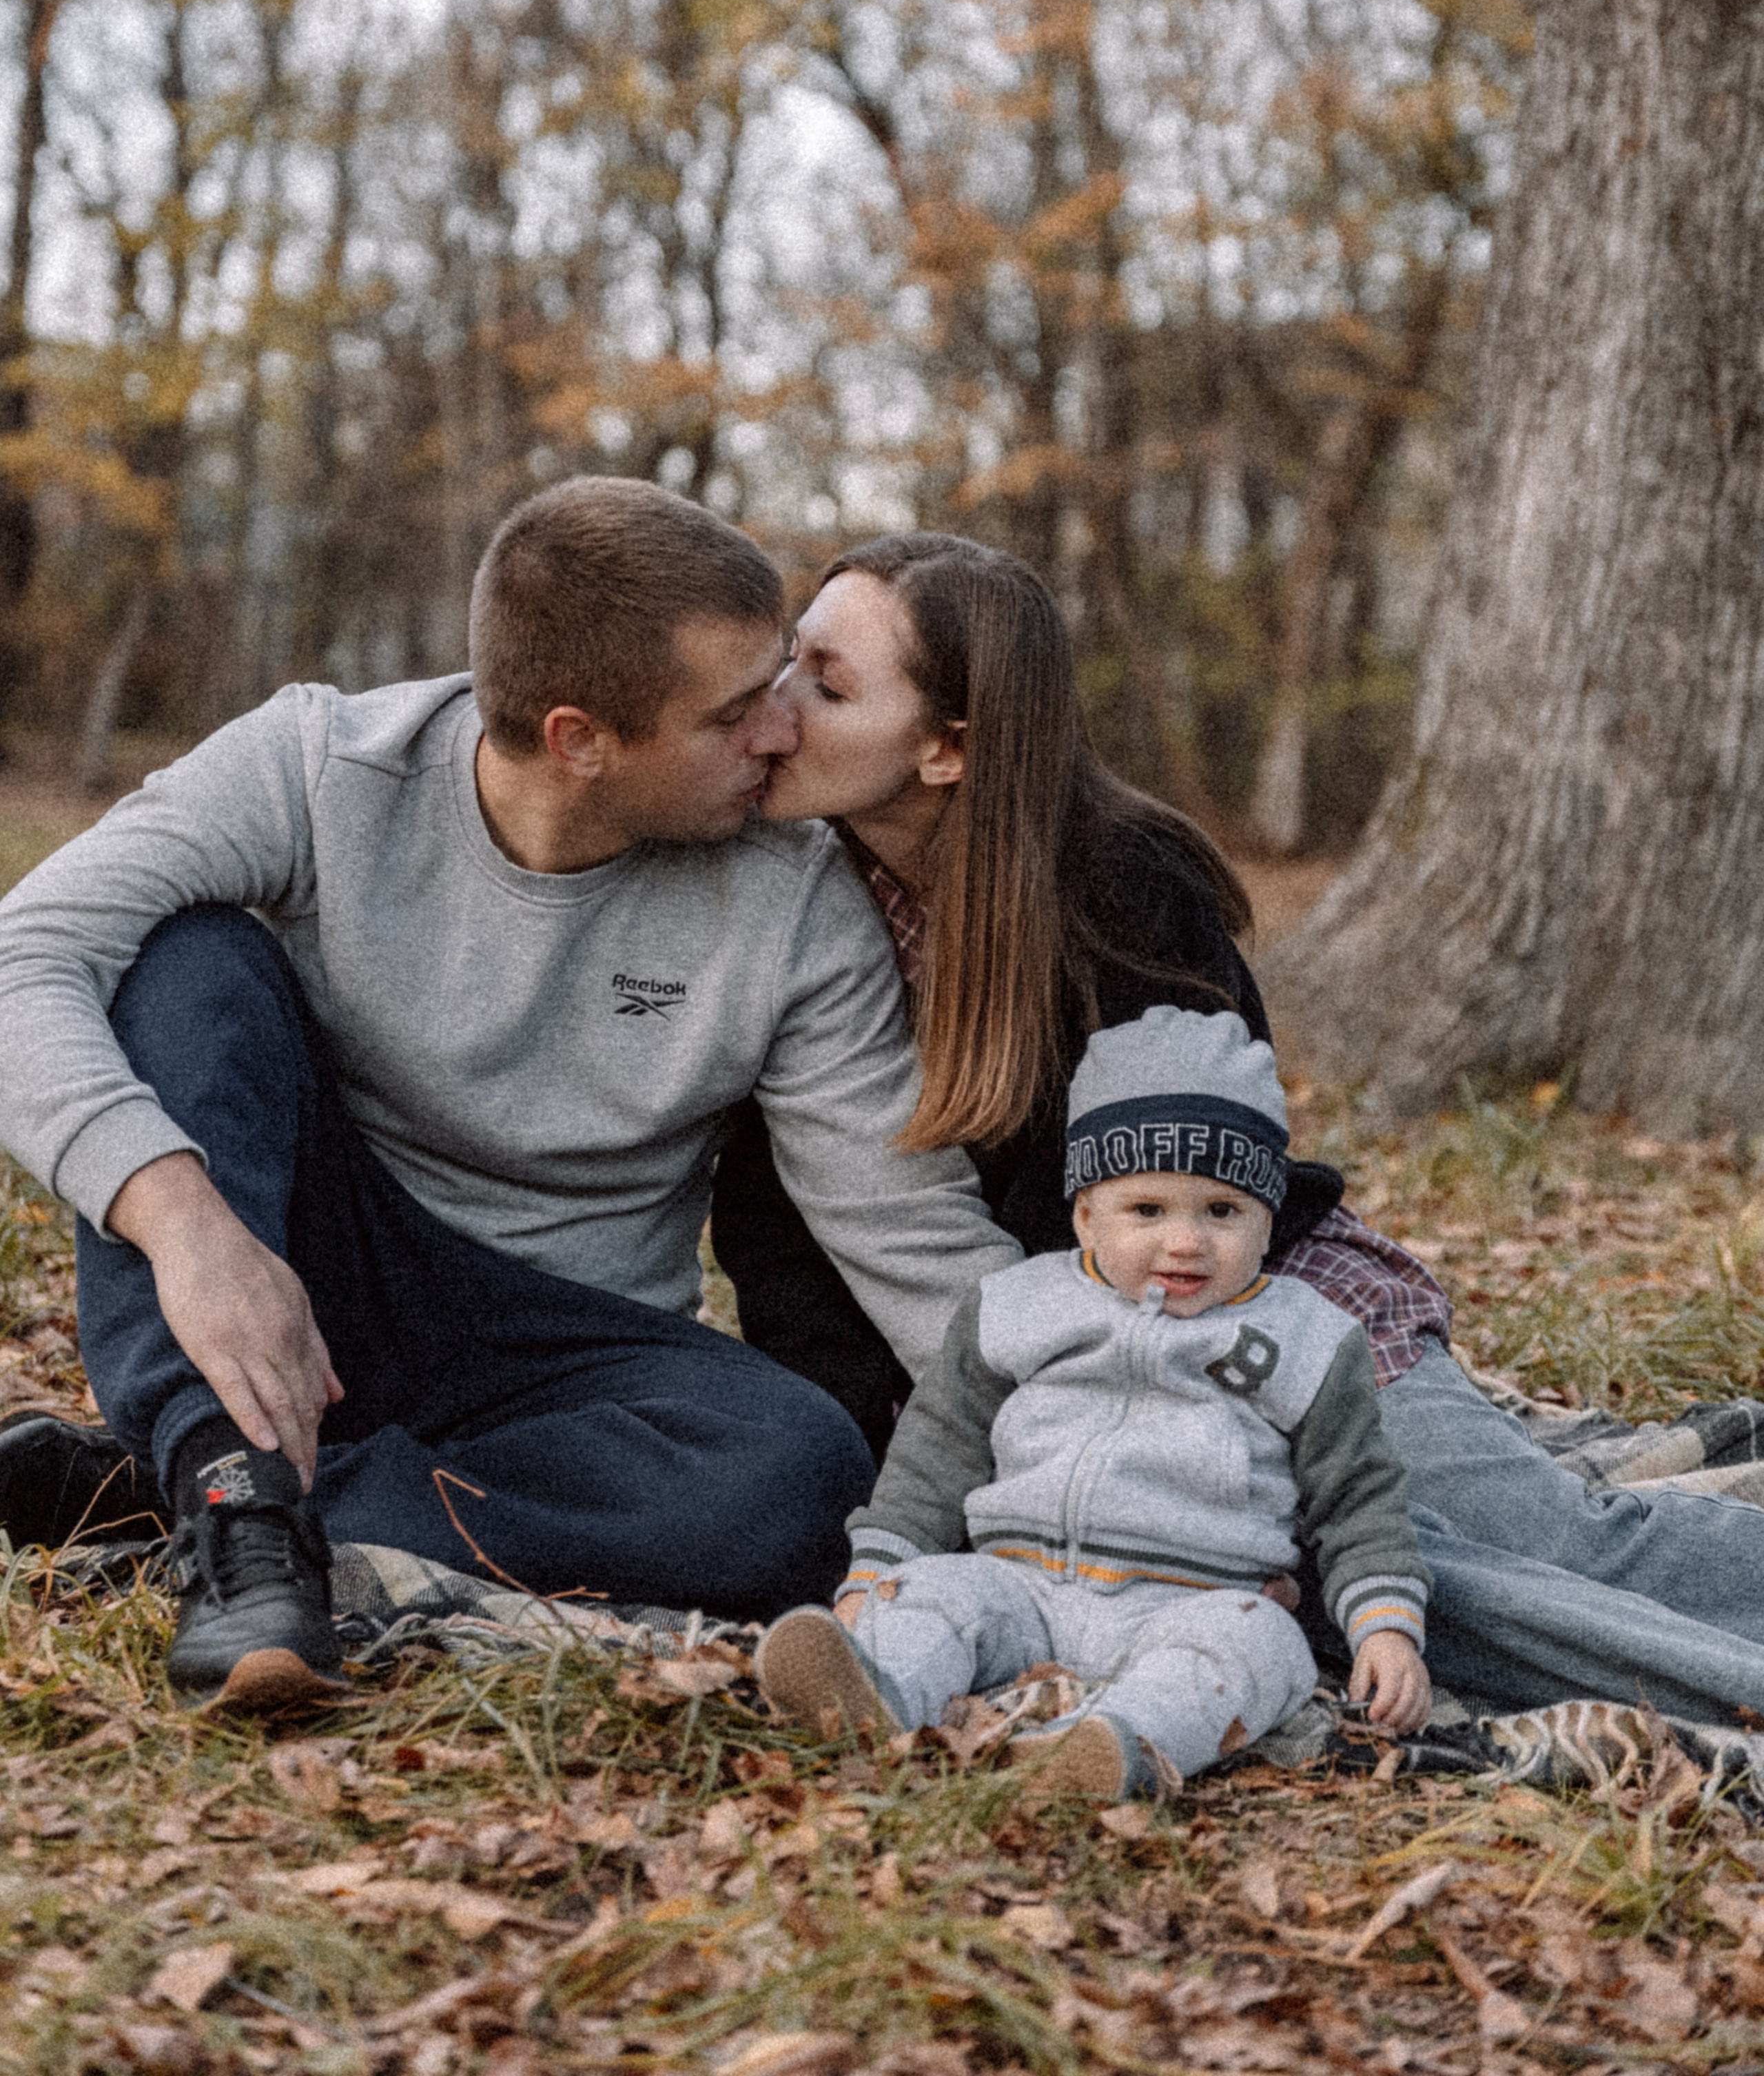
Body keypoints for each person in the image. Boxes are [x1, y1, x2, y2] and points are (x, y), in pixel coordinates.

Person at [0, 480, 1018, 1708]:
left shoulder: (795, 898)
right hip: (311, 1257)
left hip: (565, 1352)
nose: (781, 735)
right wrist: (182, 1222)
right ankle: (237, 1506)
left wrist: (1115, 1465)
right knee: (185, 960)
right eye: (735, 711)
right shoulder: (324, 766)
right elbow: (26, 953)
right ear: (580, 740)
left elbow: (905, 1230)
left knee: (799, 1472)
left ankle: (214, 1495)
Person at [739, 530, 1764, 1727]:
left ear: (947, 750)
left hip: (1253, 1306)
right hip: (1063, 1383)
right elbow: (783, 1229)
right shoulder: (799, 904)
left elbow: (1214, 1168)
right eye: (788, 662)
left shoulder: (1120, 884)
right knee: (1378, 1591)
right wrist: (933, 1458)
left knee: (1547, 1536)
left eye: (828, 682)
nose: (777, 708)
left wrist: (1175, 1414)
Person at [757, 1006, 1430, 1798]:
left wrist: (1385, 1625)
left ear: (1266, 1217)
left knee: (1262, 1648)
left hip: (1190, 1603)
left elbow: (1358, 1498)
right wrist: (876, 1571)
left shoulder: (1307, 1340)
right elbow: (938, 1453)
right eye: (1146, 1211)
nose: (1185, 1241)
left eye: (1221, 1211)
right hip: (1020, 1582)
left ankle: (1113, 1745)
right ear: (1085, 1214)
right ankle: (876, 1691)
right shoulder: (1016, 1308)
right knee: (935, 1597)